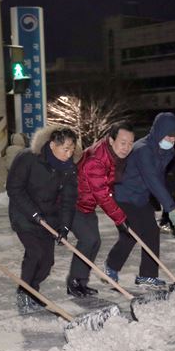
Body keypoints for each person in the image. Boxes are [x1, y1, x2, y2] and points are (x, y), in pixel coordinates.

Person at [104, 112, 175, 287]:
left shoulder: (166, 152)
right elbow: (151, 179)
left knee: (152, 232)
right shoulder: (142, 150)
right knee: (132, 232)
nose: (171, 140)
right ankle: (111, 266)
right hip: (123, 196)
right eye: (168, 136)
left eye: (174, 137)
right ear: (159, 132)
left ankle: (147, 275)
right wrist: (170, 207)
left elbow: (160, 180)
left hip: (140, 197)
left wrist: (169, 203)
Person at [6, 127, 78, 313]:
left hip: (49, 218)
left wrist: (64, 227)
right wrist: (34, 214)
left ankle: (33, 290)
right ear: (52, 145)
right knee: (35, 253)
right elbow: (14, 188)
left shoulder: (69, 169)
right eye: (66, 149)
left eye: (72, 149)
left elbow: (68, 200)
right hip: (24, 213)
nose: (69, 154)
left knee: (47, 262)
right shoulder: (28, 158)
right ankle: (24, 293)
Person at [69, 122, 134, 296]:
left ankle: (80, 282)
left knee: (94, 242)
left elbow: (108, 186)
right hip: (72, 203)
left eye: (130, 143)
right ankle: (74, 283)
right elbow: (102, 195)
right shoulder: (97, 160)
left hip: (86, 204)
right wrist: (120, 219)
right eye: (123, 142)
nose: (126, 147)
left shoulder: (111, 155)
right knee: (88, 240)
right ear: (112, 140)